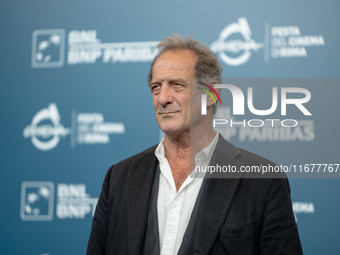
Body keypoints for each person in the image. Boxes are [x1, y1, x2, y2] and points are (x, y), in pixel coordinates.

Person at [86, 34, 303, 255]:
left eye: (176, 85)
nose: (163, 98)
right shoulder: (119, 178)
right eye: (156, 87)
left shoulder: (262, 181)